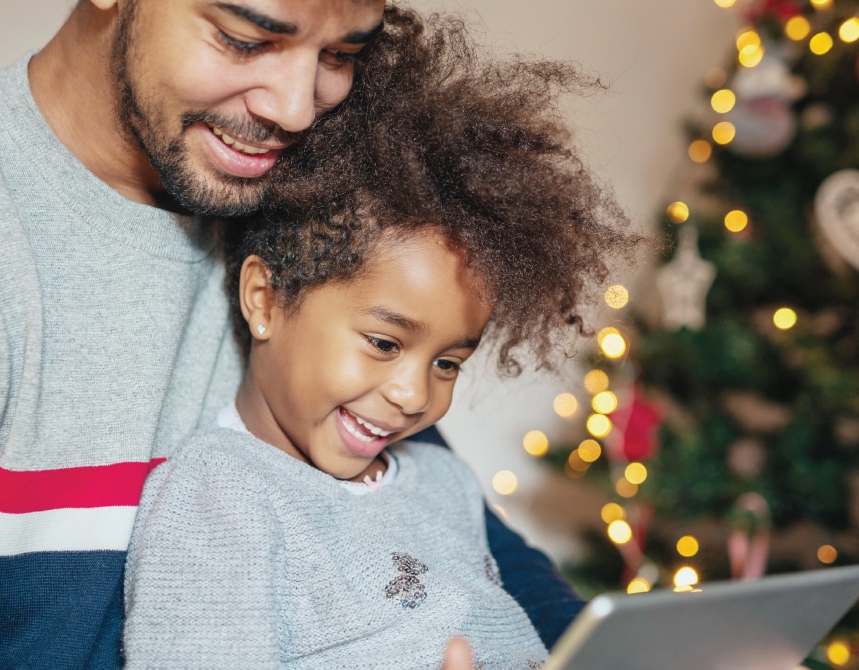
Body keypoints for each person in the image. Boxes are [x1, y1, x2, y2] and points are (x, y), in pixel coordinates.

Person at [0, 1, 593, 668]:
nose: (297, 109)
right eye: (246, 39)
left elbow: (441, 540)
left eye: (341, 55)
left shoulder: (313, 218)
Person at [122, 16, 635, 668]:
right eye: (384, 344)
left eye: (449, 362)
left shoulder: (442, 481)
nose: (412, 394)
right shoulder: (223, 501)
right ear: (266, 300)